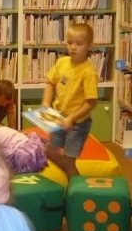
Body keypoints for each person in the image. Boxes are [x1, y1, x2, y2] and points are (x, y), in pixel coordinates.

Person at [41, 23, 99, 180]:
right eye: (69, 42)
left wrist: (71, 119)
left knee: (68, 160)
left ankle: (76, 186)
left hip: (77, 124)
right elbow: (50, 83)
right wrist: (46, 103)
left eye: (79, 44)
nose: (73, 47)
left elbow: (91, 102)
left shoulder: (88, 72)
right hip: (58, 117)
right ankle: (68, 178)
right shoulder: (62, 62)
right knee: (50, 151)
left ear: (89, 46)